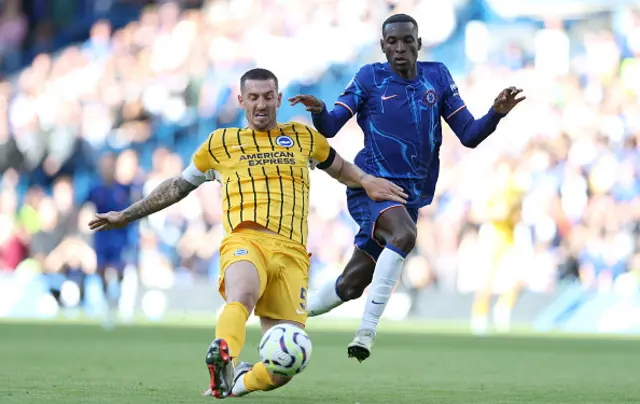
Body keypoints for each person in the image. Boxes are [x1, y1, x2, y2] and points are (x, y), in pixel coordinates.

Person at [88, 68, 407, 399]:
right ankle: (224, 355)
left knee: (284, 366)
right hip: (246, 239)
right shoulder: (220, 143)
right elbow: (177, 186)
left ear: (279, 99)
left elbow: (340, 168)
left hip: (292, 255)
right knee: (242, 293)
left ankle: (235, 383)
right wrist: (128, 214)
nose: (261, 105)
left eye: (268, 97)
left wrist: (367, 181)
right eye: (253, 97)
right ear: (241, 100)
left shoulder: (303, 136)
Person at [289, 13, 526, 362]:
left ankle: (290, 314)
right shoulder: (369, 78)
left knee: (353, 284)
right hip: (370, 185)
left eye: (406, 41)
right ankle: (366, 332)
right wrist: (320, 111)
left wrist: (496, 113)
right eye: (392, 42)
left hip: (408, 197)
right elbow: (330, 128)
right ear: (383, 46)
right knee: (404, 235)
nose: (400, 48)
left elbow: (470, 135)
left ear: (419, 44)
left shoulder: (438, 77)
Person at [86, 153, 135, 327]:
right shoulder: (95, 190)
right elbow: (86, 208)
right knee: (102, 271)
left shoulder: (123, 189)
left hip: (118, 237)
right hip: (101, 237)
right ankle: (108, 305)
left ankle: (119, 302)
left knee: (118, 270)